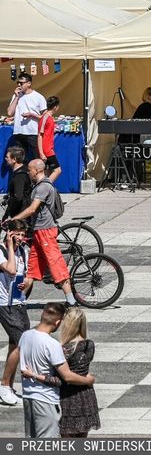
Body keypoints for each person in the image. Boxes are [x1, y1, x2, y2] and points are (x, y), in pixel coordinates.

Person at [19, 303, 94, 439]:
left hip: (28, 396)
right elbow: (67, 377)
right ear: (58, 322)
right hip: (46, 400)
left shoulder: (25, 336)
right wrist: (88, 380)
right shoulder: (52, 344)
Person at [12, 159, 74, 307]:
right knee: (32, 267)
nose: (28, 172)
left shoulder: (43, 188)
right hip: (38, 231)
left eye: (30, 170)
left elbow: (33, 209)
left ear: (37, 170)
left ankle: (71, 300)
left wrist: (13, 219)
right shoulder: (40, 185)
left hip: (45, 230)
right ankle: (18, 299)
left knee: (55, 263)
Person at [56, 307, 99, 438]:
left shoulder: (64, 349)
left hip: (68, 397)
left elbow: (64, 376)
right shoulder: (89, 345)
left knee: (67, 438)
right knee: (82, 436)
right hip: (86, 395)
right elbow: (82, 367)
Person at [0, 219, 30, 407]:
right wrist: (10, 246)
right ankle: (4, 385)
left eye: (21, 234)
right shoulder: (2, 251)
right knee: (21, 345)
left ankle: (8, 386)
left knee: (15, 345)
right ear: (9, 233)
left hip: (19, 302)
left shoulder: (23, 251)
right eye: (16, 234)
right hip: (5, 304)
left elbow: (26, 276)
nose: (19, 238)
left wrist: (26, 284)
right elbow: (10, 269)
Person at [8, 73, 46, 163]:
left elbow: (45, 117)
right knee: (20, 161)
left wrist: (32, 115)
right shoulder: (16, 96)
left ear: (29, 83)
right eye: (18, 83)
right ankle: (23, 177)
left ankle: (37, 176)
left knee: (36, 160)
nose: (18, 85)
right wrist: (17, 97)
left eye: (21, 83)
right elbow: (10, 112)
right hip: (19, 132)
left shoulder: (38, 97)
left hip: (33, 133)